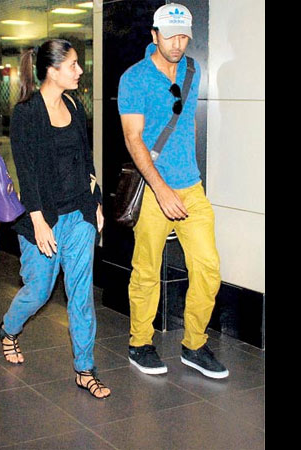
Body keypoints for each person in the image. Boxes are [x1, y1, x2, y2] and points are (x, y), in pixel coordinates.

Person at [117, 3, 229, 379]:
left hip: (191, 187)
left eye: (183, 36)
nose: (177, 44)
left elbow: (184, 127)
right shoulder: (134, 78)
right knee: (146, 271)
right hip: (153, 189)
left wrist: (184, 179)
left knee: (208, 268)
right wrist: (161, 189)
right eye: (170, 36)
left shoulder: (192, 70)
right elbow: (133, 138)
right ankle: (140, 343)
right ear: (155, 35)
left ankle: (194, 345)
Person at [0, 39, 111, 399]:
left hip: (78, 214)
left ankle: (85, 369)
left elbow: (85, 159)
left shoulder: (74, 106)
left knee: (80, 294)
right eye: (73, 65)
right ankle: (9, 329)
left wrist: (95, 201)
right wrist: (38, 221)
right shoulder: (26, 113)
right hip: (42, 217)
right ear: (52, 70)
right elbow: (26, 171)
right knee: (39, 291)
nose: (79, 71)